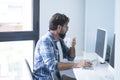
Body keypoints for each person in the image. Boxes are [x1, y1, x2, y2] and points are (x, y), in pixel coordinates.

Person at [33, 13, 92, 80]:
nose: (67, 28)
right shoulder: (45, 41)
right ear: (59, 28)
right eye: (66, 26)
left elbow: (70, 57)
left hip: (56, 77)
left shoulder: (59, 40)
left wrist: (72, 46)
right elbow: (53, 66)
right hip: (46, 78)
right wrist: (77, 65)